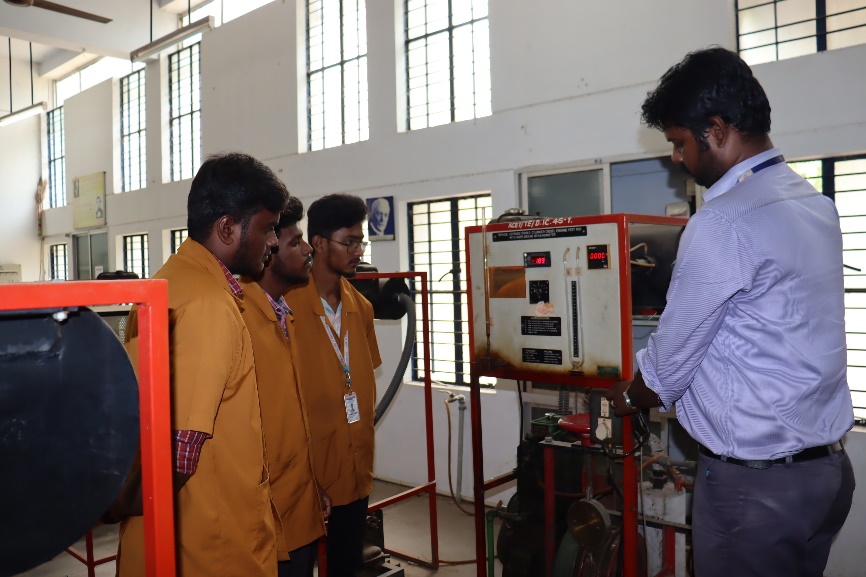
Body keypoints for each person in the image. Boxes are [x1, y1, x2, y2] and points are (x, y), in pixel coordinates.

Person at [606, 47, 855, 577]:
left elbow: (669, 364)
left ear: (716, 130)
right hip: (828, 474)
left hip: (755, 493)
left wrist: (627, 398)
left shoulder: (723, 221)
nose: (677, 157)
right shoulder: (815, 204)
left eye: (679, 142)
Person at [111, 152, 287, 577]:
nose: (274, 242)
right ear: (227, 228)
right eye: (267, 228)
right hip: (209, 548)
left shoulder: (171, 280)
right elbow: (178, 452)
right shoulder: (209, 306)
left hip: (179, 535)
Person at [286, 194, 381, 577]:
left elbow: (360, 377)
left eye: (361, 242)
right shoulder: (287, 309)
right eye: (349, 242)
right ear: (320, 243)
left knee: (345, 565)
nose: (358, 251)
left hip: (354, 470)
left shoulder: (362, 309)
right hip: (307, 476)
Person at [239, 197, 332, 577]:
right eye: (296, 242)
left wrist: (312, 485)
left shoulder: (282, 315)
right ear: (269, 251)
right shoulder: (240, 321)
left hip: (298, 505)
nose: (309, 250)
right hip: (264, 517)